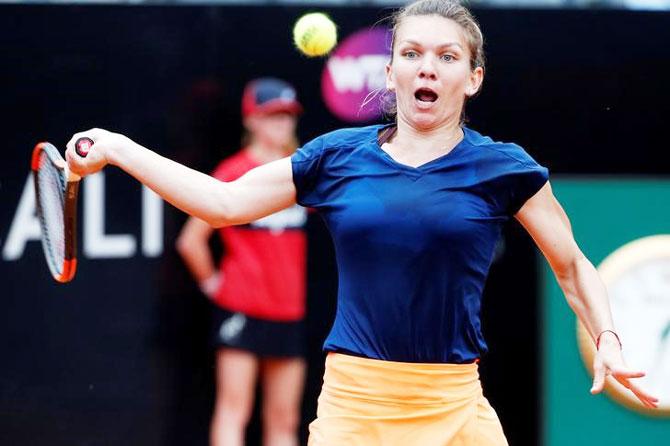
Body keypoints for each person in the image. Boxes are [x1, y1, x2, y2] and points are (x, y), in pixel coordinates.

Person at [65, 1, 659, 444]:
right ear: (391, 73)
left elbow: (572, 266)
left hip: (456, 405)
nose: (427, 68)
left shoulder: (503, 168)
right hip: (357, 408)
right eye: (412, 54)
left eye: (447, 57)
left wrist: (606, 335)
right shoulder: (336, 157)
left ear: (472, 78)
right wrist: (120, 148)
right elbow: (221, 204)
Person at [175, 78, 308, 446]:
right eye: (272, 116)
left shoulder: (301, 172)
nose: (282, 123)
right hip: (242, 307)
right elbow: (191, 241)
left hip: (288, 311)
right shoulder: (234, 171)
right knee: (234, 411)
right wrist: (215, 286)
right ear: (252, 120)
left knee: (284, 421)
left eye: (287, 115)